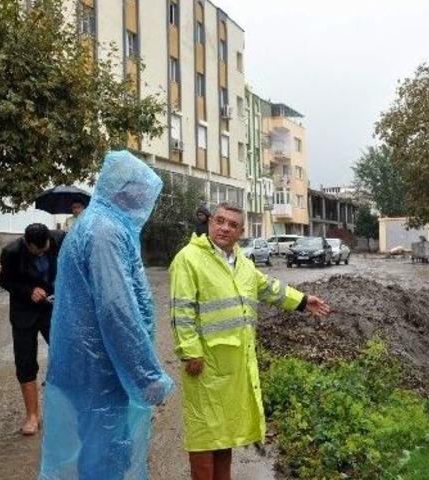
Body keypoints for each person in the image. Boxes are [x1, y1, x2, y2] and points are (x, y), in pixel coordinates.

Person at [170, 202, 331, 480]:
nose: (225, 228)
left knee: (225, 434)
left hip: (235, 366)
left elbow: (269, 287)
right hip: (205, 365)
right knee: (204, 436)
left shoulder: (242, 262)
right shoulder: (189, 259)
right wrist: (190, 351)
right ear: (210, 224)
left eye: (232, 225)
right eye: (220, 221)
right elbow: (181, 310)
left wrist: (303, 301)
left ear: (241, 232)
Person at [39, 151, 174, 480]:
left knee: (101, 453)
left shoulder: (100, 224)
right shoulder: (105, 232)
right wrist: (147, 377)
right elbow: (117, 310)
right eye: (143, 194)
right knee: (105, 458)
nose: (147, 202)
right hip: (99, 370)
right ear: (127, 191)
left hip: (92, 367)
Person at [0, 223, 65, 436]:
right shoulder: (11, 252)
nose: (41, 253)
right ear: (27, 244)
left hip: (53, 308)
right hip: (24, 311)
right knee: (25, 361)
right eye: (36, 251)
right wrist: (28, 291)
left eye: (44, 249)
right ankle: (32, 416)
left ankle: (65, 410)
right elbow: (4, 279)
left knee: (65, 354)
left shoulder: (60, 240)